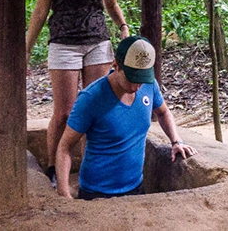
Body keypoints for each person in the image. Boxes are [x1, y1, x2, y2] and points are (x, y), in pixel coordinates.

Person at [25, 0, 131, 187]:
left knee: (95, 107)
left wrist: (123, 26)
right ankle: (52, 166)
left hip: (97, 41)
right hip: (63, 43)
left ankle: (90, 165)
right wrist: (26, 49)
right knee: (65, 112)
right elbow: (40, 10)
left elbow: (111, 4)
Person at [55, 36, 196, 200]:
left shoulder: (149, 85)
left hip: (136, 187)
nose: (137, 86)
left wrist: (176, 141)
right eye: (132, 78)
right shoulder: (90, 98)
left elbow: (163, 112)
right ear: (116, 65)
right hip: (97, 193)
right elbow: (65, 147)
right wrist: (64, 192)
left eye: (142, 79)